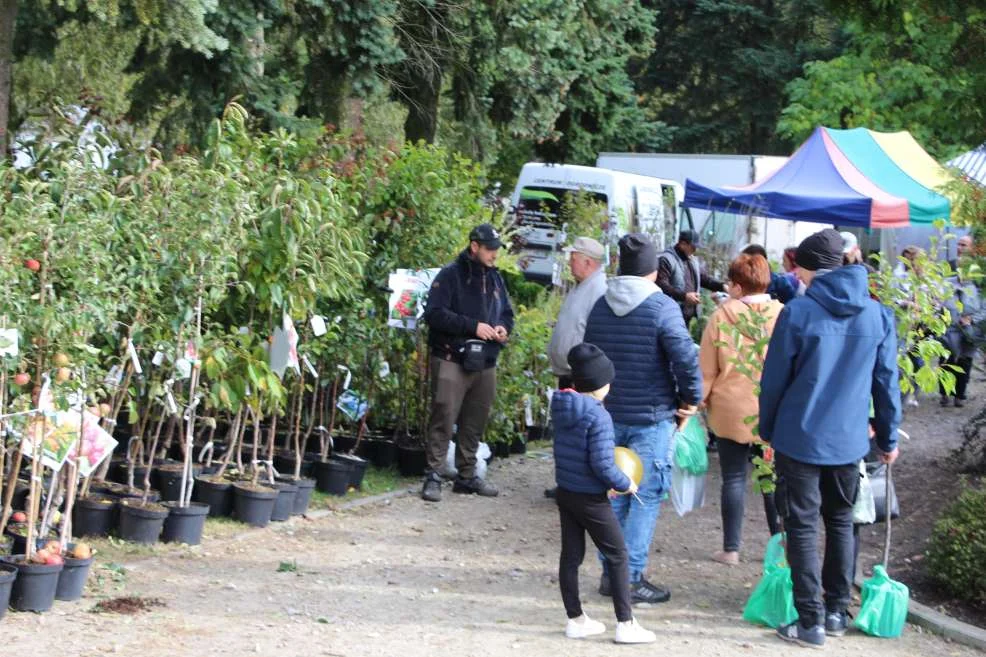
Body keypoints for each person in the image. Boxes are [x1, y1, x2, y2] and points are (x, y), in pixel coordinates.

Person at [759, 228, 901, 648]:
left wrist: (768, 430)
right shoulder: (877, 314)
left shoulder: (798, 313)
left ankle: (810, 622)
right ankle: (837, 611)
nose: (796, 273)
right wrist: (888, 438)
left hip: (798, 437)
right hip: (849, 441)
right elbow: (886, 385)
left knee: (801, 525)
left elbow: (773, 383)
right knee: (841, 521)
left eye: (800, 266)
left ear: (814, 268)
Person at [584, 233, 702, 606]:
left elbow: (588, 357)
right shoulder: (662, 307)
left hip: (608, 415)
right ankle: (630, 577)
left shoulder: (601, 305)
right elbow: (684, 357)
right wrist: (691, 399)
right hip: (651, 416)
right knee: (645, 496)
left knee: (614, 492)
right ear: (653, 270)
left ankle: (610, 573)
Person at [552, 343, 656, 644]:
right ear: (600, 384)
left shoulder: (562, 405)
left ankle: (575, 619)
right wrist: (624, 483)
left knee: (571, 555)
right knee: (618, 554)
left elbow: (579, 456)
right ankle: (626, 623)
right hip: (591, 499)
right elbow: (601, 463)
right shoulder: (598, 416)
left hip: (566, 491)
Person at [699, 253, 784, 566]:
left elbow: (707, 370)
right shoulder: (783, 314)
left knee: (733, 478)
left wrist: (698, 402)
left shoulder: (721, 317)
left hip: (730, 407)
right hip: (771, 410)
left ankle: (731, 549)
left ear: (736, 285)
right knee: (770, 479)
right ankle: (781, 546)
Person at [420, 223, 514, 502]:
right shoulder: (450, 275)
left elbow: (507, 313)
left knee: (476, 420)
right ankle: (434, 474)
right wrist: (473, 327)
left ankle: (467, 475)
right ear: (474, 246)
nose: (495, 254)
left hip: (485, 361)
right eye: (490, 249)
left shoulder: (496, 279)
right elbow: (434, 314)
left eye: (497, 249)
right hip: (452, 357)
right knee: (444, 416)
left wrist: (502, 328)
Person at [545, 236, 608, 499]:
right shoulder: (582, 285)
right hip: (569, 371)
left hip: (580, 374)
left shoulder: (599, 288)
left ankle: (577, 487)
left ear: (588, 261)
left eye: (573, 258)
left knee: (579, 434)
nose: (570, 263)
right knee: (569, 434)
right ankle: (568, 484)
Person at [656, 229, 727, 325]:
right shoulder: (666, 259)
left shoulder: (692, 259)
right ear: (683, 244)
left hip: (687, 315)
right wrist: (684, 296)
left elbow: (703, 279)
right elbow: (662, 285)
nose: (695, 250)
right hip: (671, 314)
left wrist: (722, 286)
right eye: (693, 247)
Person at [940, 269, 983, 408]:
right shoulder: (946, 283)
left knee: (965, 363)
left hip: (970, 331)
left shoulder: (978, 286)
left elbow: (984, 309)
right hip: (949, 329)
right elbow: (938, 303)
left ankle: (960, 395)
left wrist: (971, 319)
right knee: (947, 362)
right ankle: (945, 393)